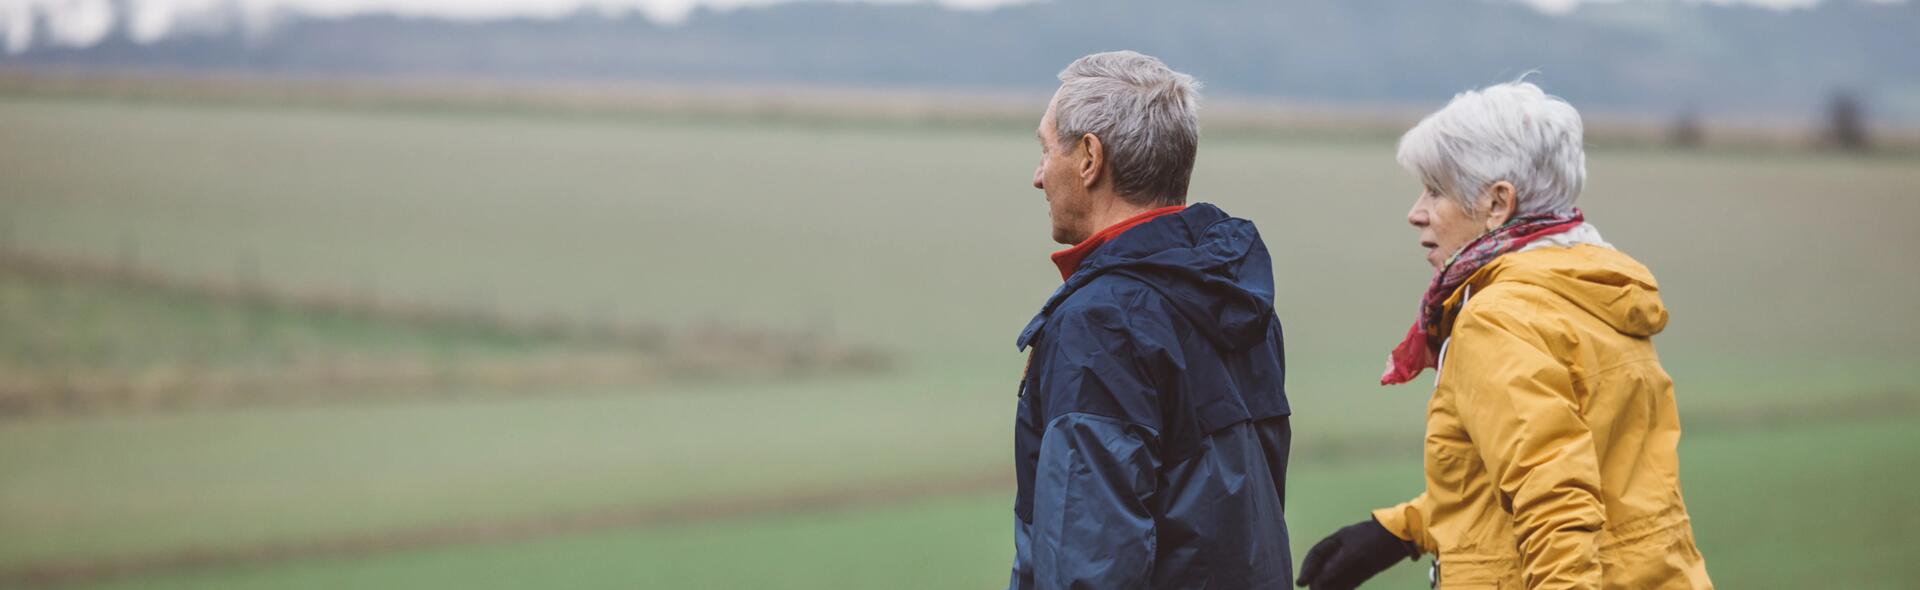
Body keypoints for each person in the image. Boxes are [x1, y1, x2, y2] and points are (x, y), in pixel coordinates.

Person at [1294, 82, 1713, 590]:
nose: (1416, 212)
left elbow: (1555, 509)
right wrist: (1404, 531)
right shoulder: (1586, 291)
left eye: (1435, 189)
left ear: (1497, 203)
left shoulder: (1499, 319)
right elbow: (1567, 472)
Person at [1007, 50, 1293, 589]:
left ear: (1090, 158)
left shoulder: (1101, 325)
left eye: (1046, 151)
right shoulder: (1233, 296)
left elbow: (1088, 562)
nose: (1039, 177)